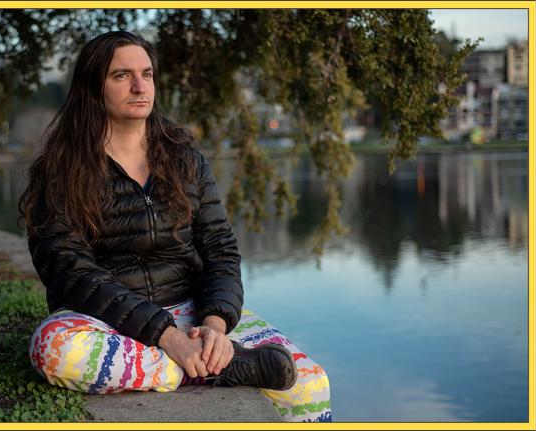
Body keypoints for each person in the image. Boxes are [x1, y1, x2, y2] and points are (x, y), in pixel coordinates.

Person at [18, 31, 332, 422]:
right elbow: (71, 273)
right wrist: (169, 340)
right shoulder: (61, 172)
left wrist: (215, 325)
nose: (139, 86)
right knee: (53, 349)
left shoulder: (185, 160)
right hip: (106, 322)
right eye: (121, 75)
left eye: (146, 73)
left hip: (193, 313)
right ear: (92, 87)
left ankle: (207, 362)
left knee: (311, 384)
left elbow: (221, 249)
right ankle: (212, 371)